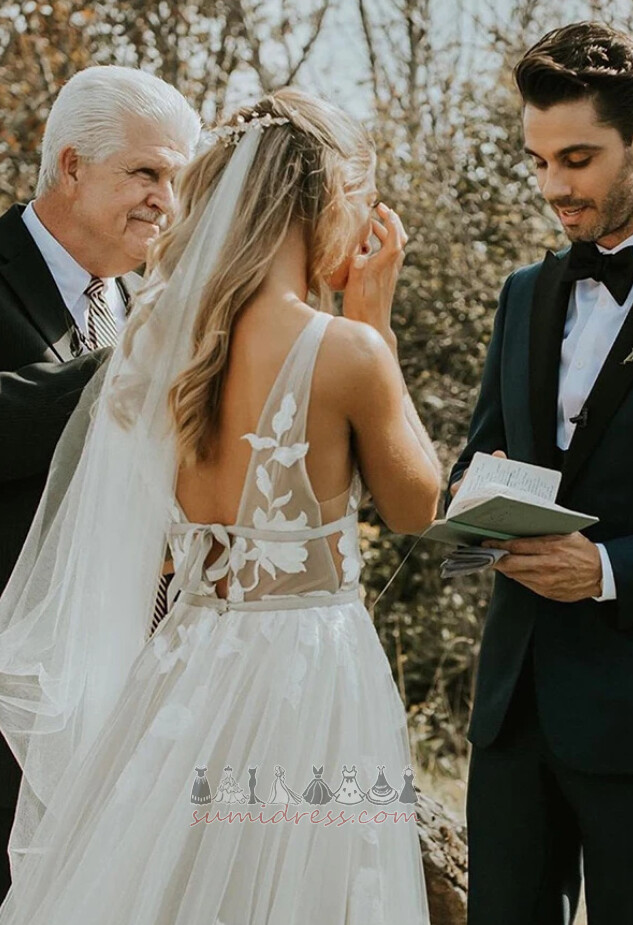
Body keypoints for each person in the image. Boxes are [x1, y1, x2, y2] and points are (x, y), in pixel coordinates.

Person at [0, 88, 440, 923]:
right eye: (359, 200)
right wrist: (374, 320)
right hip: (308, 670)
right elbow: (416, 506)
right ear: (325, 199)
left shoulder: (155, 340)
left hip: (183, 665)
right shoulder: (345, 350)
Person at [0, 64, 201, 902]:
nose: (167, 200)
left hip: (124, 678)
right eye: (146, 172)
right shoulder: (147, 327)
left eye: (180, 180)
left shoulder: (145, 302)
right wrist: (134, 357)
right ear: (72, 166)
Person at [448, 22, 633, 925]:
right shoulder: (523, 292)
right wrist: (472, 511)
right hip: (513, 710)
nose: (553, 186)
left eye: (577, 158)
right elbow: (476, 458)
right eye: (538, 161)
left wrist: (605, 569)